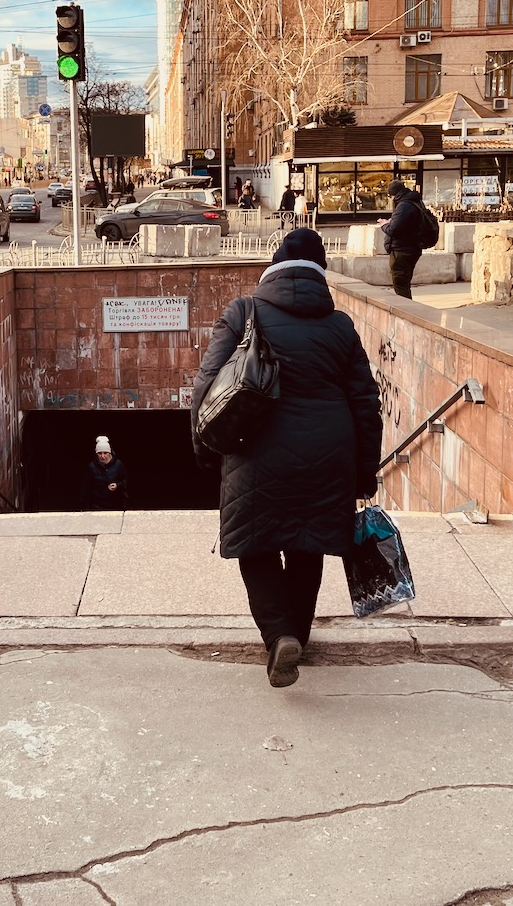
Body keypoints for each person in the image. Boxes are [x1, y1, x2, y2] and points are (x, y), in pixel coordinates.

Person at [192, 228, 383, 689]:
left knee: (255, 547)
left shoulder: (243, 311)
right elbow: (366, 403)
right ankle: (296, 635)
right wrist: (364, 473)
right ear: (321, 275)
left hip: (255, 451)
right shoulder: (340, 326)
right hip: (329, 455)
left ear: (273, 268)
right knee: (307, 545)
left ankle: (279, 636)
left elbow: (207, 385)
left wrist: (204, 449)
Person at [380, 179, 426, 299]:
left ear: (393, 194)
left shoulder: (404, 205)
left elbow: (394, 230)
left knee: (400, 285)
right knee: (404, 283)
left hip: (402, 250)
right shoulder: (414, 202)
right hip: (411, 248)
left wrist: (384, 225)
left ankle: (406, 312)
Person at [85, 436, 128, 509]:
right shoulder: (92, 466)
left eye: (105, 453)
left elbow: (126, 480)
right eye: (99, 453)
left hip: (115, 504)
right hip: (97, 505)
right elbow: (87, 486)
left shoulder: (118, 464)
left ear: (110, 452)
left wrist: (117, 485)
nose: (102, 456)